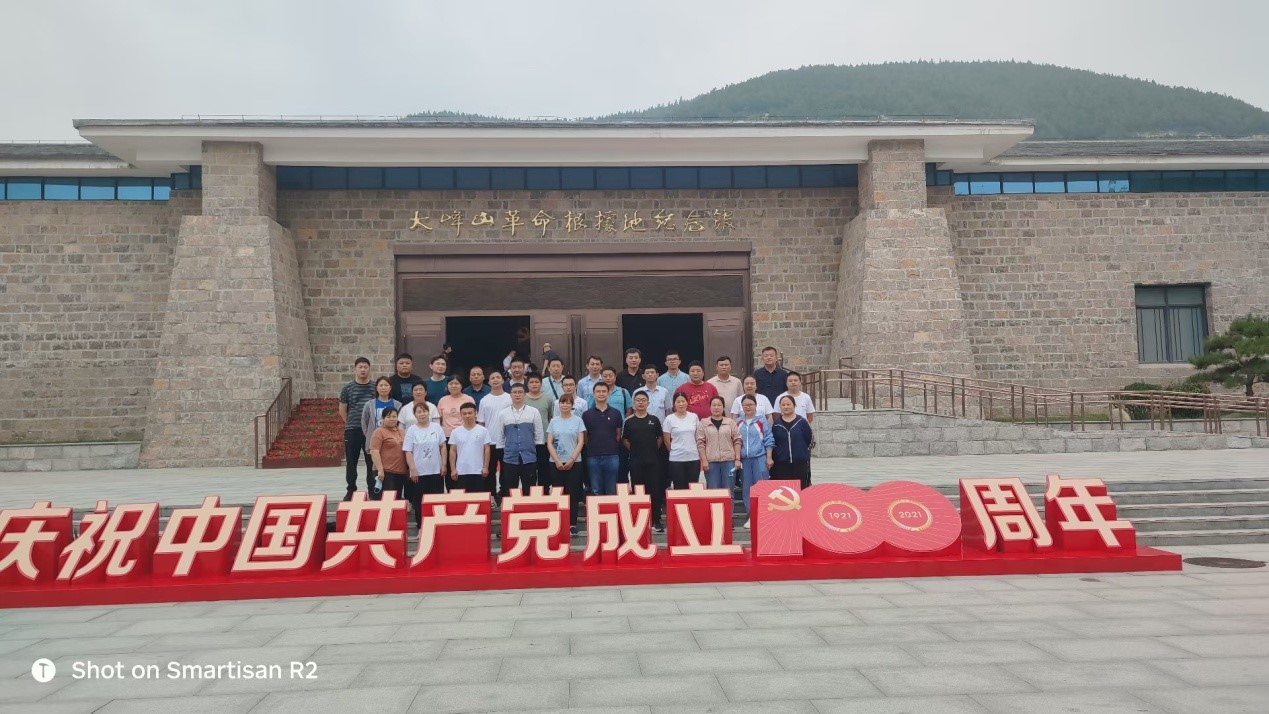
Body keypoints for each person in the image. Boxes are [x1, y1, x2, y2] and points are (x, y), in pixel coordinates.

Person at [623, 391, 665, 532]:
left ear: (648, 403)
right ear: (634, 403)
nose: (640, 402)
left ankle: (656, 520)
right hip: (636, 462)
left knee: (655, 491)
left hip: (653, 462)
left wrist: (651, 449)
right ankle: (640, 521)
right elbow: (625, 440)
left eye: (643, 400)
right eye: (638, 400)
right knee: (638, 490)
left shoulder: (654, 420)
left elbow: (660, 438)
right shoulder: (629, 421)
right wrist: (635, 450)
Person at [492, 383, 544, 495]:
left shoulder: (533, 412)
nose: (517, 395)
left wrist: (534, 448)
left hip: (529, 456)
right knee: (510, 489)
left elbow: (539, 434)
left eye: (520, 392)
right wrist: (502, 450)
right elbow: (500, 435)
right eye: (514, 392)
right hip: (510, 456)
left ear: (524, 394)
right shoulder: (503, 413)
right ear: (510, 395)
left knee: (529, 489)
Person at [546, 394, 586, 536]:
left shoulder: (578, 421)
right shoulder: (553, 421)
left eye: (568, 403)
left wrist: (572, 459)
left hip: (574, 462)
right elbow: (549, 442)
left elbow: (581, 442)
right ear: (559, 405)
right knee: (557, 493)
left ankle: (572, 524)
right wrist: (557, 460)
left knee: (572, 494)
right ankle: (557, 523)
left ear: (572, 405)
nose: (565, 405)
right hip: (555, 462)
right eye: (563, 403)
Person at [338, 357, 376, 501]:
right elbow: (342, 410)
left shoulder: (374, 387)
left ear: (369, 369)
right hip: (353, 429)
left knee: (371, 462)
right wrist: (350, 423)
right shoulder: (348, 388)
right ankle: (351, 489)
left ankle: (373, 490)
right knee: (351, 462)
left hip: (370, 431)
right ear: (355, 369)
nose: (363, 370)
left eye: (365, 367)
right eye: (360, 367)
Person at [402, 401, 446, 527]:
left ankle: (437, 525)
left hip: (436, 470)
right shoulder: (411, 430)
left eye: (424, 411)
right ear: (415, 415)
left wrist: (443, 464)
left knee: (437, 499)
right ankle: (421, 526)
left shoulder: (436, 427)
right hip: (419, 472)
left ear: (428, 413)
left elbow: (443, 446)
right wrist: (412, 469)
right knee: (419, 500)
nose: (422, 414)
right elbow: (408, 451)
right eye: (419, 412)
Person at [737, 394, 775, 529]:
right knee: (747, 488)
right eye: (745, 405)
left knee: (761, 486)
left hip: (759, 458)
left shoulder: (761, 421)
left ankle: (763, 515)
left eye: (750, 405)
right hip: (744, 460)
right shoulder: (737, 422)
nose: (747, 407)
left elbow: (768, 438)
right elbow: (736, 441)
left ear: (755, 406)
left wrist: (769, 457)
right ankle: (751, 516)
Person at [581, 382, 623, 496]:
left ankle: (611, 508)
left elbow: (618, 434)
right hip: (593, 456)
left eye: (604, 391)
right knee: (596, 489)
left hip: (612, 455)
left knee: (611, 490)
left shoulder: (616, 413)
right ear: (593, 394)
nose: (601, 394)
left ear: (608, 393)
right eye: (598, 391)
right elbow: (585, 436)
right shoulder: (586, 415)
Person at [477, 371, 512, 497]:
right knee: (490, 471)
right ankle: (491, 496)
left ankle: (504, 495)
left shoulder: (509, 398)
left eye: (498, 377)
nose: (495, 380)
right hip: (490, 441)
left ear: (503, 380)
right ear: (489, 382)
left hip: (507, 441)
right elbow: (481, 422)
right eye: (492, 378)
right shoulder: (484, 400)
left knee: (506, 471)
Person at [360, 377, 403, 480]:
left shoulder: (397, 404)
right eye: (381, 385)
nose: (383, 388)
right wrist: (370, 435)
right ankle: (372, 489)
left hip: (392, 442)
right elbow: (364, 421)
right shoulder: (369, 404)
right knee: (372, 468)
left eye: (386, 385)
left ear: (390, 388)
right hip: (375, 441)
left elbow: (399, 423)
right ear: (376, 388)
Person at [696, 396, 741, 491]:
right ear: (710, 407)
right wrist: (704, 460)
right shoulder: (703, 423)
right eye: (714, 405)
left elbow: (737, 440)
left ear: (723, 407)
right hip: (711, 462)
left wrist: (737, 459)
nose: (716, 407)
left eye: (719, 405)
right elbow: (700, 443)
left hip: (729, 461)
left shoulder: (730, 422)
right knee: (713, 491)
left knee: (728, 491)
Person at [772, 395, 813, 488]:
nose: (786, 407)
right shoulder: (777, 424)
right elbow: (774, 441)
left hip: (799, 462)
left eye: (788, 404)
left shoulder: (802, 422)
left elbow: (808, 439)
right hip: (781, 462)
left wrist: (801, 452)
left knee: (801, 489)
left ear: (794, 405)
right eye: (783, 405)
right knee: (784, 489)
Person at [448, 403, 490, 493]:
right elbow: (452, 451)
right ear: (461, 415)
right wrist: (453, 469)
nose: (467, 416)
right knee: (463, 498)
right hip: (461, 471)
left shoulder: (483, 430)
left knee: (478, 497)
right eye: (464, 413)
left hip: (478, 471)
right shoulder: (455, 432)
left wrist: (485, 467)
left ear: (476, 413)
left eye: (470, 413)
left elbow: (487, 449)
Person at [662, 392, 701, 491]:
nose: (681, 404)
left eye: (683, 401)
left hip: (693, 457)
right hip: (676, 459)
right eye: (678, 402)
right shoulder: (669, 419)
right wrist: (675, 450)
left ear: (687, 402)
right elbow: (666, 441)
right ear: (674, 404)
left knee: (693, 488)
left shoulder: (694, 417)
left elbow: (698, 436)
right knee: (679, 488)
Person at [368, 406, 407, 501]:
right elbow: (374, 451)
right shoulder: (379, 432)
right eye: (388, 417)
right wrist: (380, 470)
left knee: (396, 500)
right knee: (386, 501)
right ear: (383, 418)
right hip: (385, 473)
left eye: (394, 416)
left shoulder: (401, 431)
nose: (392, 419)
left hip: (400, 472)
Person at [523, 373, 555, 489]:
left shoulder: (548, 399)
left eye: (537, 382)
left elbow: (551, 418)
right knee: (529, 469)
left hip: (544, 440)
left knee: (544, 468)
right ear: (527, 384)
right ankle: (530, 492)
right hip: (527, 440)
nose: (534, 384)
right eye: (531, 382)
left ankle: (544, 491)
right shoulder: (523, 398)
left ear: (541, 384)